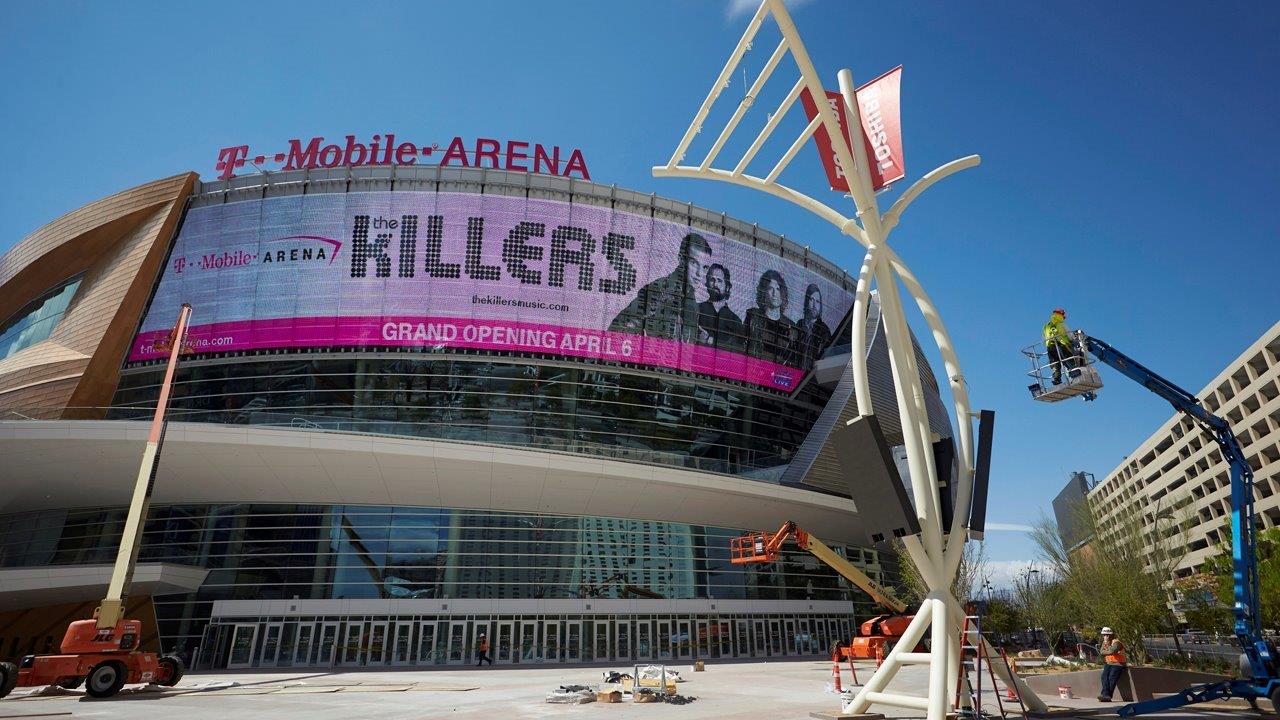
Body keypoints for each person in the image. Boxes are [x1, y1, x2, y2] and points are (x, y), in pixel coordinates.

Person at [608, 232, 711, 343]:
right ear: (681, 259)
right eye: (694, 263)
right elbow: (620, 327)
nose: (699, 274)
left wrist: (697, 335)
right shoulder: (661, 290)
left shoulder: (690, 296)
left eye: (705, 267)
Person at [744, 270, 799, 365]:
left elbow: (791, 358)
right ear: (764, 292)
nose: (775, 294)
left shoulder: (790, 325)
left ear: (782, 293)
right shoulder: (753, 315)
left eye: (778, 289)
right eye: (770, 288)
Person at [697, 263, 746, 352]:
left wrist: (709, 340)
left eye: (719, 280)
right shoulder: (697, 309)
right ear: (707, 284)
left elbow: (738, 350)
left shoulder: (735, 321)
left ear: (727, 287)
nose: (715, 284)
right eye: (712, 280)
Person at [797, 283, 832, 369]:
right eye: (811, 300)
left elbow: (825, 358)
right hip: (796, 374)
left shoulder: (824, 331)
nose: (814, 305)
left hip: (812, 376)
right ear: (806, 302)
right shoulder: (799, 325)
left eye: (817, 301)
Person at [1043, 307, 1075, 385]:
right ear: (1062, 315)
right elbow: (1070, 335)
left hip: (1049, 347)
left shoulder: (1047, 325)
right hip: (1061, 345)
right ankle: (1075, 375)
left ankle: (1056, 379)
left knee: (1055, 364)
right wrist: (1074, 339)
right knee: (1068, 360)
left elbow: (1044, 337)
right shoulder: (1061, 324)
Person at [1097, 627, 1127, 701]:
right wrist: (1106, 645)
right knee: (1104, 677)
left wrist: (1107, 648)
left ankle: (1106, 695)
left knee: (1111, 679)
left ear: (1109, 635)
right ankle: (1106, 695)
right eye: (1103, 635)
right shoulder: (1105, 642)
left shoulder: (1116, 642)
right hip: (1109, 663)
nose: (1104, 637)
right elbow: (1101, 652)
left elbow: (1111, 651)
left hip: (1118, 664)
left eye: (1105, 635)